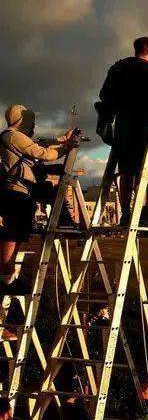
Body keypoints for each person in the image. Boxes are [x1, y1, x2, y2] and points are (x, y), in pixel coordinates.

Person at [0, 104, 78, 296]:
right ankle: (6, 277)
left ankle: (7, 278)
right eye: (30, 121)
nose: (33, 125)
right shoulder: (13, 136)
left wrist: (61, 141)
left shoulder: (12, 137)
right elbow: (42, 153)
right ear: (20, 120)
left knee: (16, 235)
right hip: (17, 191)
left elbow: (38, 145)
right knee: (13, 236)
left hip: (19, 189)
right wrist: (65, 148)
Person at [97, 36, 148, 225]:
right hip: (143, 127)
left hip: (122, 128)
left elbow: (104, 95)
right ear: (147, 50)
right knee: (142, 172)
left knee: (126, 173)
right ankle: (139, 214)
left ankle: (126, 213)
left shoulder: (118, 68)